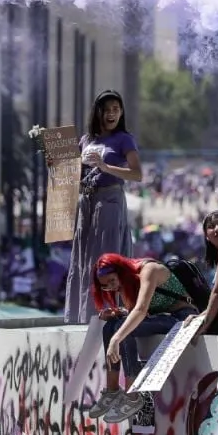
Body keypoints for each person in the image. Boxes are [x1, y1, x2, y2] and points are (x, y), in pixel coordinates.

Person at [86, 253, 197, 423]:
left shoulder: (149, 270)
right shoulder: (126, 282)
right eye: (105, 286)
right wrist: (118, 313)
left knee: (123, 332)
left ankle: (132, 396)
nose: (111, 287)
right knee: (111, 325)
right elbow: (134, 311)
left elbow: (141, 310)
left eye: (112, 281)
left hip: (181, 317)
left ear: (121, 272)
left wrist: (116, 339)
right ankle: (113, 390)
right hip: (161, 317)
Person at [64, 90, 143, 324]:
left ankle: (110, 313)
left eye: (116, 110)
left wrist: (106, 167)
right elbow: (75, 174)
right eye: (107, 109)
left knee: (105, 257)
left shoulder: (124, 139)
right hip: (86, 203)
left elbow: (137, 174)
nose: (111, 114)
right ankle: (82, 315)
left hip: (109, 202)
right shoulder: (87, 140)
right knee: (84, 257)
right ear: (97, 112)